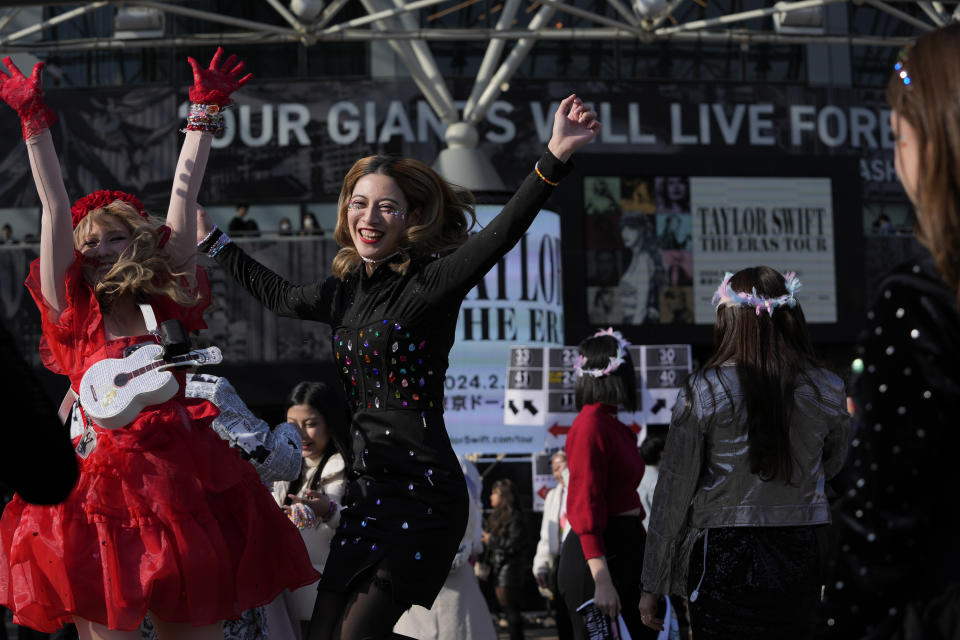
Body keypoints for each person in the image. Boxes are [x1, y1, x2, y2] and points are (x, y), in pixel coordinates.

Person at [196, 94, 599, 640]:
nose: (370, 216)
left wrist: (554, 156)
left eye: (386, 206)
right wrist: (214, 242)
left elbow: (500, 234)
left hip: (424, 491)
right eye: (359, 204)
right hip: (367, 493)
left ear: (408, 218)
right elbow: (280, 296)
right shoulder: (342, 293)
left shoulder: (430, 282)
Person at [0, 49, 318, 638]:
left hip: (179, 480)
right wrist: (33, 122)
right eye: (86, 241)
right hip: (98, 486)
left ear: (137, 243)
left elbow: (183, 197)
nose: (93, 249)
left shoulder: (159, 299)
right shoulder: (73, 313)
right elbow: (50, 204)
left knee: (191, 626)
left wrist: (201, 116)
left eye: (109, 238)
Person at [819, 24, 960, 639]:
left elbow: (879, 529)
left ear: (939, 144)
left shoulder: (918, 304)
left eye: (900, 137)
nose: (898, 158)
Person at [637, 267, 850, 639]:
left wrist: (653, 583)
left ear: (730, 320)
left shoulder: (703, 388)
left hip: (722, 552)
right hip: (799, 547)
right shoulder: (827, 387)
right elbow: (836, 462)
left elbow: (674, 491)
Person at [557, 328, 656, 640]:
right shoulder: (590, 425)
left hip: (623, 549)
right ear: (616, 373)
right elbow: (584, 503)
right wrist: (601, 577)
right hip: (599, 558)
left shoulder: (614, 425)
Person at [270, 381, 348, 638]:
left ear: (330, 422)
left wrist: (328, 510)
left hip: (329, 596)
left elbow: (354, 521)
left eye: (311, 424)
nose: (300, 434)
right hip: (287, 593)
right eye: (292, 424)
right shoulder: (284, 468)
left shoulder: (344, 467)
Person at [394, 456, 496, 640]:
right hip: (417, 583)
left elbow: (470, 528)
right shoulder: (405, 482)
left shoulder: (457, 483)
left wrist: (459, 552)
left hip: (455, 586)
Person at [532, 451, 573, 640]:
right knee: (562, 616)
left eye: (561, 466)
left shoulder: (578, 489)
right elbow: (545, 537)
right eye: (555, 469)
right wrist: (540, 566)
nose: (558, 472)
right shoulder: (552, 496)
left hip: (581, 559)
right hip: (559, 561)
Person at [481, 479, 528, 640]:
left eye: (495, 493)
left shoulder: (515, 516)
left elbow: (514, 544)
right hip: (498, 570)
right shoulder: (496, 516)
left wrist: (491, 540)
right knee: (507, 612)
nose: (491, 496)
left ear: (504, 496)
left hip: (510, 572)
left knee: (512, 613)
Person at [636, 435, 664, 532]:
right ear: (661, 454)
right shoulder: (658, 482)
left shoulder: (638, 476)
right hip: (654, 535)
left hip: (640, 531)